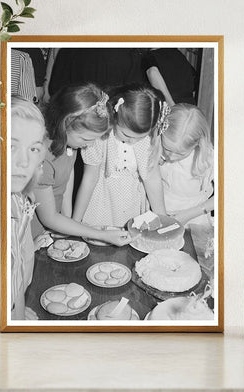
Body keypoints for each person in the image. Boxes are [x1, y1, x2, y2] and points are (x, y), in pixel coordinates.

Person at [30, 83, 133, 246]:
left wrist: (70, 220)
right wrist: (101, 235)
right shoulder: (41, 157)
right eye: (86, 139)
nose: (90, 145)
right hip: (33, 230)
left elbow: (67, 176)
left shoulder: (70, 143)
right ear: (65, 124)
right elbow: (48, 217)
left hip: (54, 225)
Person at [73, 84, 167, 227]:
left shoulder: (149, 140)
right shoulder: (100, 136)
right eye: (126, 135)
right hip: (101, 203)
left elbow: (152, 180)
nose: (132, 142)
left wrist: (163, 218)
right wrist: (75, 222)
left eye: (139, 138)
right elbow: (89, 179)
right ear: (116, 115)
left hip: (132, 205)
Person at [159, 103, 214, 261]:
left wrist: (188, 215)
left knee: (193, 263)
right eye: (167, 148)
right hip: (162, 214)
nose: (170, 157)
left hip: (195, 220)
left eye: (179, 153)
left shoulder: (209, 158)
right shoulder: (157, 148)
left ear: (197, 144)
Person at [11, 96, 47, 320]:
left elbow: (16, 275)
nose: (24, 162)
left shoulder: (18, 199)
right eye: (12, 146)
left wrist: (18, 311)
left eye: (33, 149)